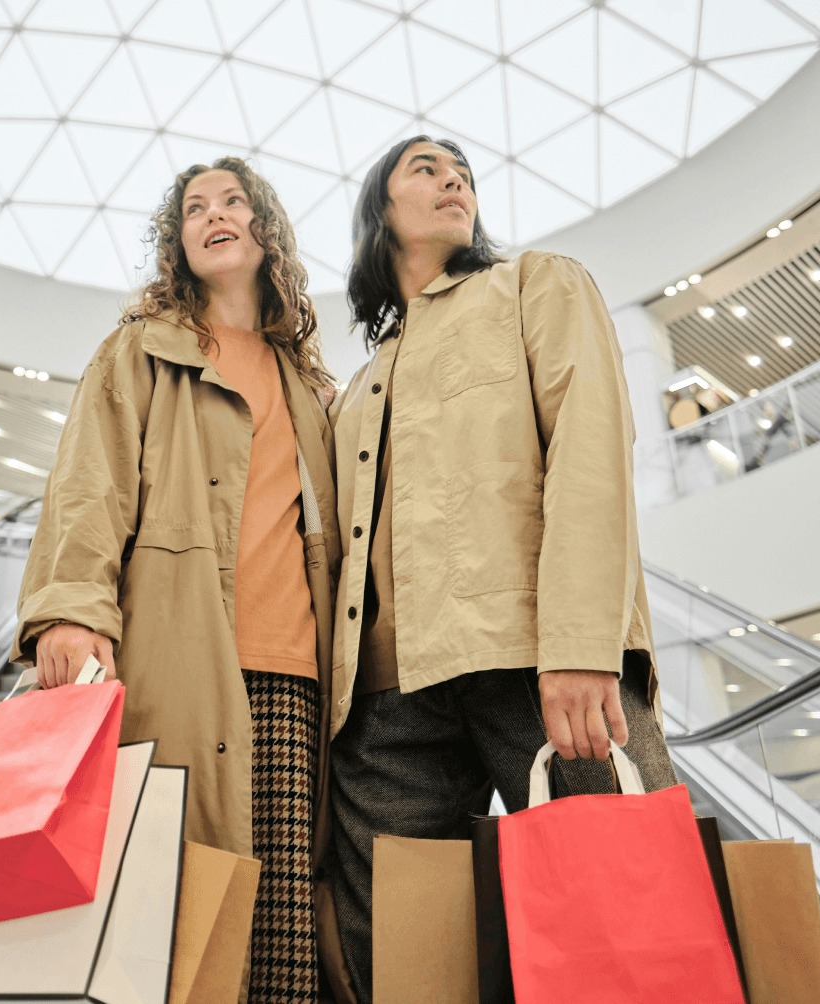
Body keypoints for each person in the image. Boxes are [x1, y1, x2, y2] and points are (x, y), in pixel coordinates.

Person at [324, 136, 680, 1002]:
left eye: (464, 173)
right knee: (401, 959)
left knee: (633, 931)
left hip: (533, 658)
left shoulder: (536, 285)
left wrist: (581, 643)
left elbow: (591, 458)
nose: (453, 179)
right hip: (385, 702)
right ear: (379, 210)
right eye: (424, 168)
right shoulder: (357, 383)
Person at [13, 157, 339, 1003]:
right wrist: (68, 611)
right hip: (176, 668)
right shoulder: (140, 351)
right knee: (166, 923)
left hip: (295, 685)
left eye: (233, 201)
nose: (213, 214)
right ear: (178, 240)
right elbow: (90, 485)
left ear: (265, 231)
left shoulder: (308, 384)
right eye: (195, 207)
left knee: (277, 940)